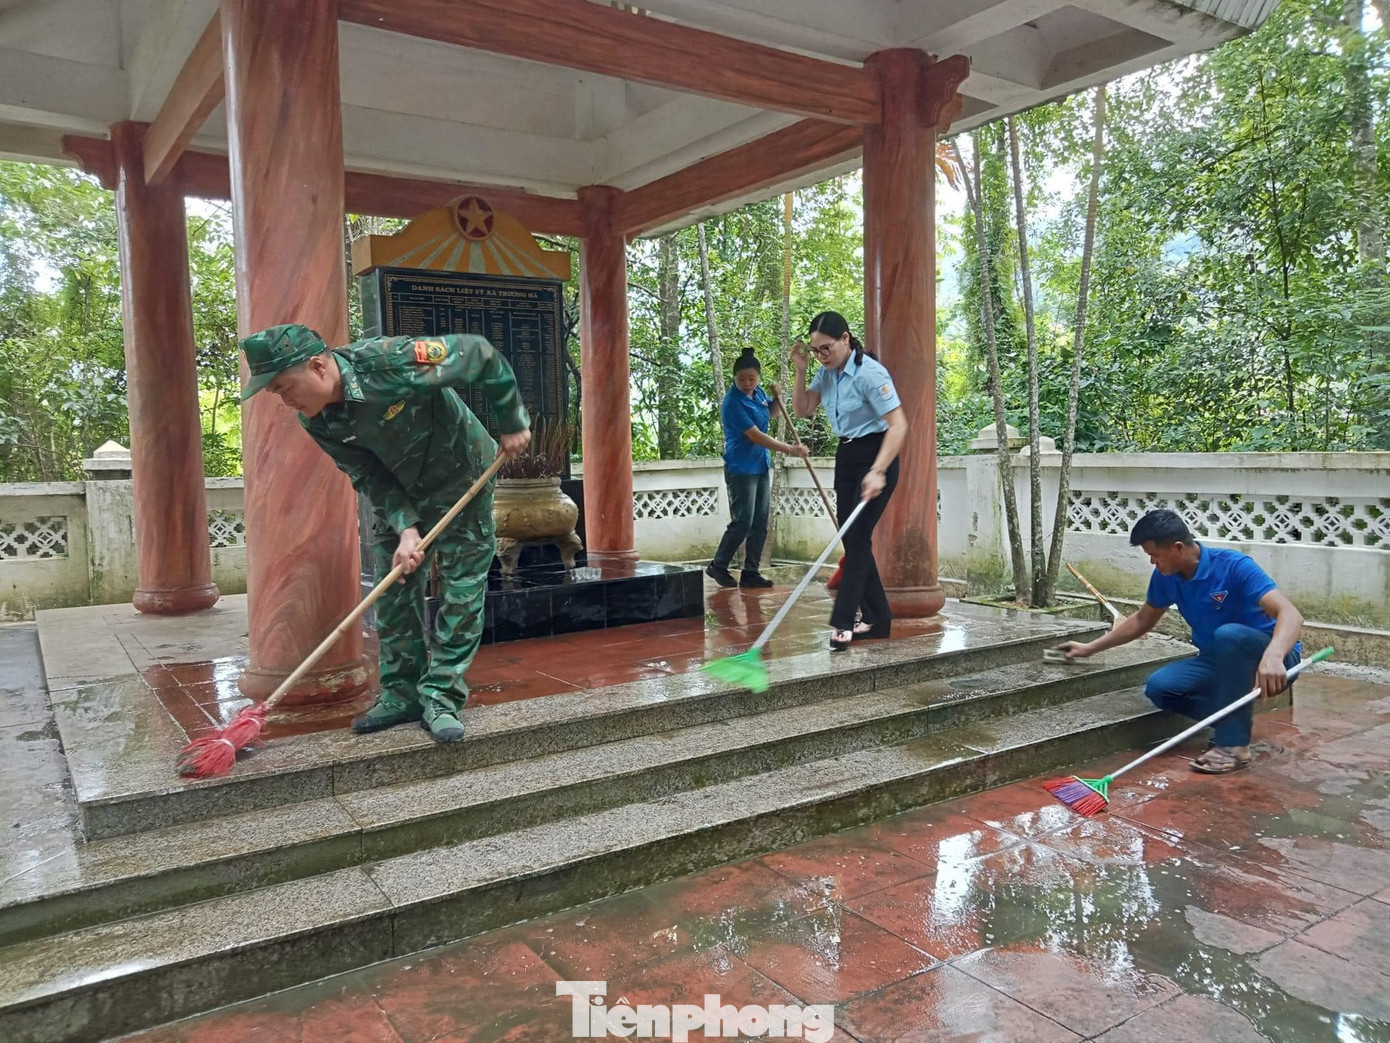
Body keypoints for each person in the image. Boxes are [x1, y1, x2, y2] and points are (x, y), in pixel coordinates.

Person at [238, 323, 531, 744]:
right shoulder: (316, 421)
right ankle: (400, 694)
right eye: (276, 394)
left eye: (284, 387)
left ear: (318, 366)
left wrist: (512, 420)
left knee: (461, 590)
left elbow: (481, 354)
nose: (285, 401)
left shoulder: (390, 361)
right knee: (394, 591)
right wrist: (406, 528)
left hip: (460, 477)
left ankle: (441, 695)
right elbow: (367, 473)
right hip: (399, 493)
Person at [1053, 509, 1303, 774]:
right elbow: (1141, 621)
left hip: (1273, 659)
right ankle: (1233, 721)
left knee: (1229, 634)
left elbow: (1291, 614)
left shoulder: (1233, 566)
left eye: (1155, 555)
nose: (1152, 562)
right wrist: (1090, 648)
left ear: (1178, 547)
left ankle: (1234, 746)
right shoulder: (1166, 577)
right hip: (1218, 660)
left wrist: (1274, 656)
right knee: (1160, 687)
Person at [791, 311, 908, 650]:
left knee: (857, 538)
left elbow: (898, 425)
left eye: (825, 348)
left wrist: (878, 470)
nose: (820, 355)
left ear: (845, 339)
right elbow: (802, 409)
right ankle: (879, 617)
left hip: (876, 454)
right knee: (851, 536)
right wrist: (801, 371)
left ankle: (844, 620)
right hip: (847, 456)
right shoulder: (825, 373)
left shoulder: (871, 374)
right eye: (815, 351)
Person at [706, 349, 810, 589]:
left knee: (760, 522)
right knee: (743, 521)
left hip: (760, 465)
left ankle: (751, 571)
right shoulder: (732, 403)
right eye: (742, 379)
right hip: (741, 468)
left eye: (752, 379)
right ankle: (718, 565)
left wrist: (778, 400)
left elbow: (770, 412)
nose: (747, 383)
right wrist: (790, 449)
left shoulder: (758, 393)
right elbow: (756, 435)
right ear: (734, 378)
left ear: (758, 378)